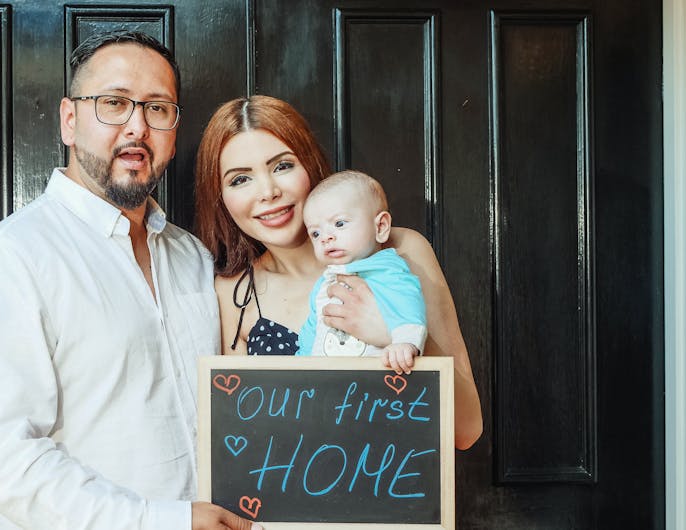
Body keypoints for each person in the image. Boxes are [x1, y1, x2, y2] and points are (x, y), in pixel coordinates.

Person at [0, 31, 261, 530]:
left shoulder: (193, 257)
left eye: (157, 109)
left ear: (174, 131)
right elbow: (1, 457)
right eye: (114, 103)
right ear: (69, 121)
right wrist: (166, 521)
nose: (137, 126)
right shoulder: (12, 259)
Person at [194, 95, 483, 450]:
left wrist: (393, 332)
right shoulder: (235, 294)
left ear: (310, 166)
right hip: (295, 494)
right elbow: (241, 442)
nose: (268, 192)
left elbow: (466, 430)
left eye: (282, 166)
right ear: (220, 196)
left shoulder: (398, 252)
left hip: (395, 490)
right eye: (240, 180)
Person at [296, 170, 427, 373]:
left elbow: (408, 305)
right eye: (315, 233)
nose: (325, 237)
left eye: (339, 224)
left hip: (375, 387)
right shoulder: (325, 282)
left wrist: (405, 342)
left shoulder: (388, 271)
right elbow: (311, 328)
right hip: (325, 385)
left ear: (381, 227)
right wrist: (297, 364)